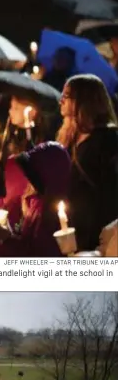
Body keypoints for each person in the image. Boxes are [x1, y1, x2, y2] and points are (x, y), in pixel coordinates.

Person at [0, 142, 71, 257]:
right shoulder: (34, 201)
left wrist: (8, 239)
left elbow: (35, 255)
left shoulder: (47, 214)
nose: (27, 178)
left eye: (31, 174)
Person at [56, 74, 118, 251]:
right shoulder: (69, 136)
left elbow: (110, 191)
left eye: (67, 96)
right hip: (72, 225)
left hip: (97, 231)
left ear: (84, 100)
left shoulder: (108, 139)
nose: (61, 100)